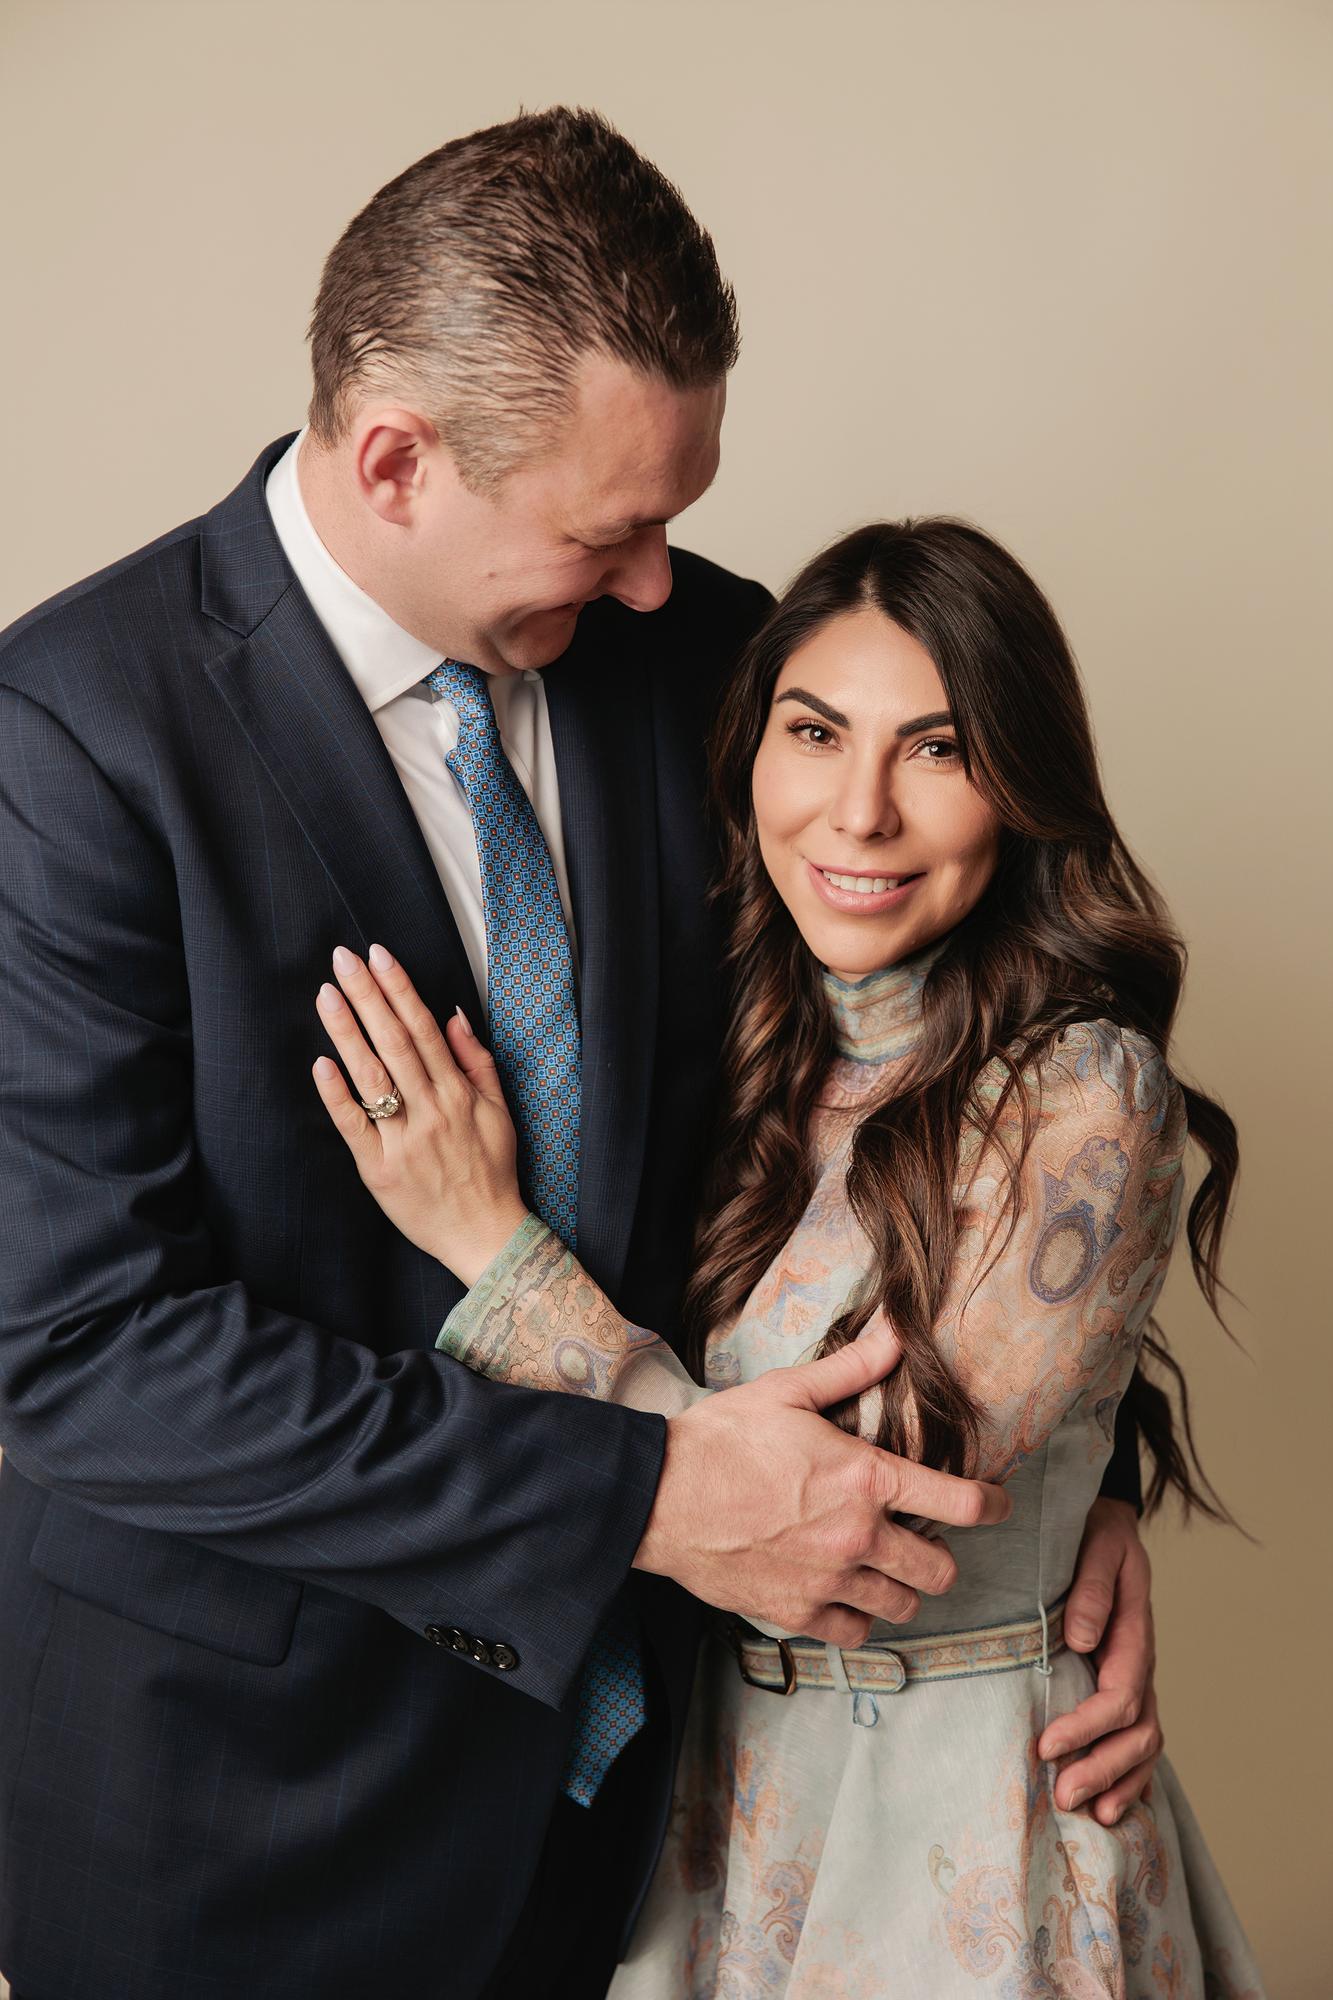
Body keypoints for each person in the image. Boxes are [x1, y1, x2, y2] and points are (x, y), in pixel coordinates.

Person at [0, 111, 1156, 2000]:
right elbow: (80, 1354)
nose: (655, 584)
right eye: (611, 532)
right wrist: (644, 1497)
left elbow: (900, 1098)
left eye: (677, 523)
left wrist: (1072, 1489)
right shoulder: (67, 742)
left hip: (668, 1816)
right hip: (233, 1815)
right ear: (396, 459)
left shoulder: (707, 663)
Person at [310, 519, 1265, 1996]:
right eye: (814, 733)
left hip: (961, 1811)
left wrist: (487, 1249)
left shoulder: (1081, 1095)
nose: (858, 810)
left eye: (936, 750)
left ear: (1019, 787)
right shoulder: (744, 1038)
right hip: (705, 1806)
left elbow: (846, 1514)